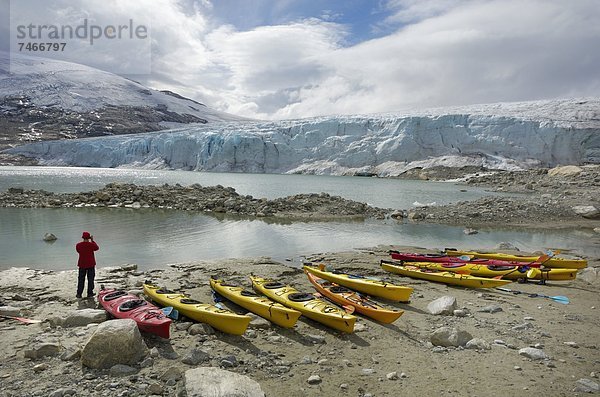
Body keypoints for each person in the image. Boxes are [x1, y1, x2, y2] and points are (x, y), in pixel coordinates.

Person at [76, 231, 99, 298]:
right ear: (89, 238)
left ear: (83, 238)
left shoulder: (78, 245)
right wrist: (92, 241)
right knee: (90, 279)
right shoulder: (91, 245)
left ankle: (79, 294)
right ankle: (90, 293)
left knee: (81, 280)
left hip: (82, 264)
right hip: (90, 264)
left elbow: (78, 251)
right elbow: (97, 248)